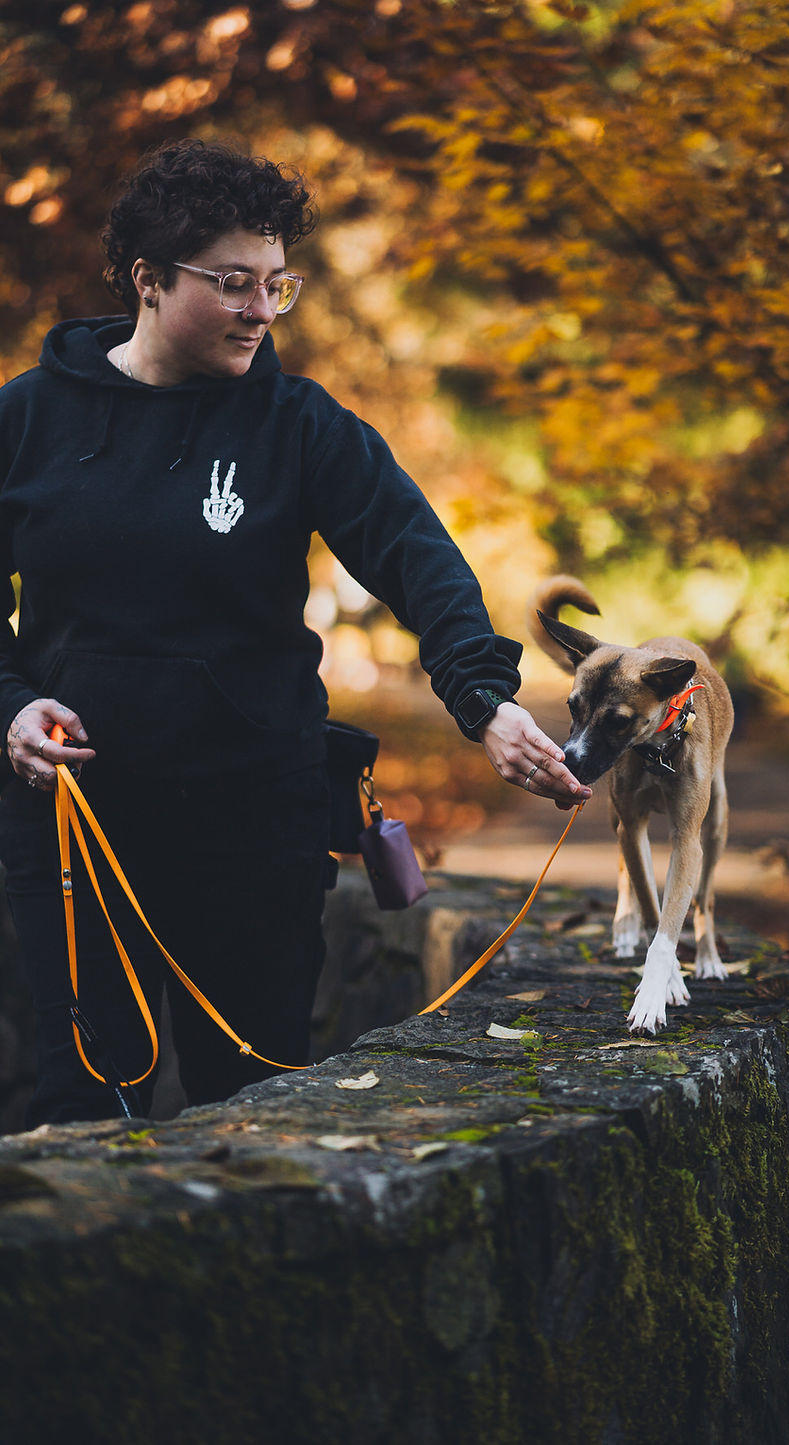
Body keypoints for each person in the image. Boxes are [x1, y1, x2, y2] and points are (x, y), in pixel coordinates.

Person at [0, 139, 589, 1127]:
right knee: (85, 1109)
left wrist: (480, 700)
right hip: (73, 829)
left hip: (253, 828)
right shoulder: (27, 418)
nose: (262, 311)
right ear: (147, 278)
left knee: (256, 1105)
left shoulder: (298, 425)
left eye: (279, 285)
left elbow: (415, 555)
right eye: (233, 284)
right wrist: (11, 710)